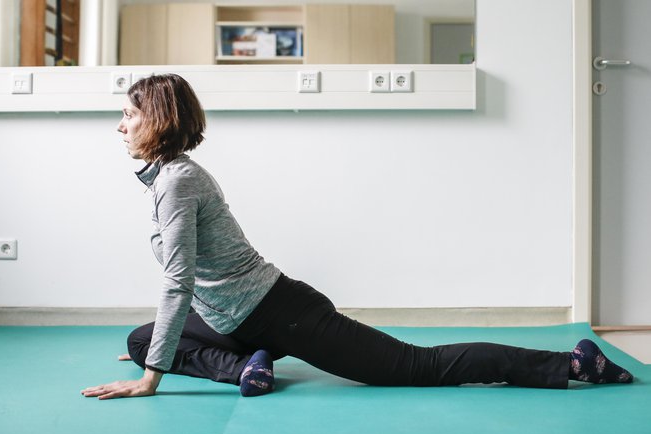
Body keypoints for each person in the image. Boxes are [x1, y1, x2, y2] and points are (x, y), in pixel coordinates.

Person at [82, 74, 634, 400]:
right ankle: (247, 366)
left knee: (420, 367)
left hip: (281, 314)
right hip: (242, 319)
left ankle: (572, 362)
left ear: (155, 119)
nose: (120, 125)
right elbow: (190, 284)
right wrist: (157, 353)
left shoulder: (177, 182)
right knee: (140, 340)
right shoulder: (167, 178)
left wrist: (152, 379)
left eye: (128, 114)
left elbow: (178, 280)